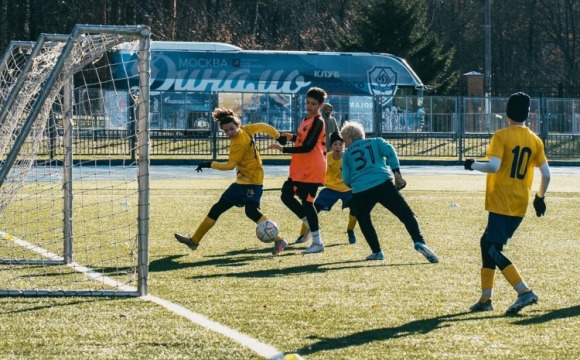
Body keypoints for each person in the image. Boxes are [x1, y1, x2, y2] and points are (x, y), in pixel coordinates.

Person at [464, 92, 551, 314]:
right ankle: (485, 298)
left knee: (490, 247)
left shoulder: (502, 135)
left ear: (507, 113)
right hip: (520, 202)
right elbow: (547, 174)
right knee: (488, 244)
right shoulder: (535, 139)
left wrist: (472, 164)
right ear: (528, 114)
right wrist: (540, 197)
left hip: (501, 200)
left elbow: (493, 166)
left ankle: (523, 291)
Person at [174, 108, 288, 255]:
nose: (229, 133)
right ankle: (194, 241)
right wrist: (276, 135)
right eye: (226, 131)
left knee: (251, 211)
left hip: (252, 181)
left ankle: (279, 238)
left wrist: (209, 164)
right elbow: (263, 126)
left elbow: (229, 166)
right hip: (242, 182)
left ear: (238, 126)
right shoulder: (246, 130)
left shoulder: (238, 143)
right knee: (218, 209)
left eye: (231, 129)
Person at [339, 121, 439, 263]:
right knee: (406, 214)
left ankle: (376, 251)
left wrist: (354, 183)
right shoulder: (376, 142)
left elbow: (347, 179)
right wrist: (396, 171)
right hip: (383, 183)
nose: (344, 144)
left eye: (344, 140)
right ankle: (419, 241)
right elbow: (390, 151)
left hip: (360, 190)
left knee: (364, 219)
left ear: (349, 138)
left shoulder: (347, 154)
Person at [270, 87, 328, 254]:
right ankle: (311, 226)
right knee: (286, 195)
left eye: (313, 104)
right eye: (308, 102)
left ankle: (318, 242)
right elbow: (304, 139)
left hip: (311, 168)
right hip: (300, 167)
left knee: (307, 204)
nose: (309, 106)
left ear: (320, 105)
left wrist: (283, 149)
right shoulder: (306, 118)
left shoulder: (318, 121)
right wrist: (291, 137)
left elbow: (309, 146)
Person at [295, 131, 358, 245]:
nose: (338, 146)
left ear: (344, 146)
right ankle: (302, 234)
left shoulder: (349, 157)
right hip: (330, 189)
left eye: (340, 144)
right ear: (331, 146)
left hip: (347, 189)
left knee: (355, 208)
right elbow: (316, 170)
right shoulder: (326, 157)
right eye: (335, 144)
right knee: (312, 209)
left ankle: (350, 230)